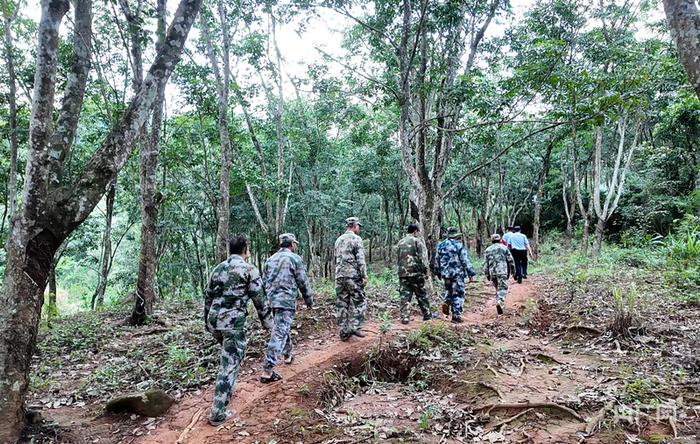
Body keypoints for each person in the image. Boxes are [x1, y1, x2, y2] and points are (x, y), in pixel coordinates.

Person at [203, 235, 273, 426]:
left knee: (230, 357)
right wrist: (269, 325)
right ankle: (218, 413)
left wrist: (206, 321)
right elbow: (260, 299)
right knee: (229, 364)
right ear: (245, 250)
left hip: (215, 321)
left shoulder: (218, 268)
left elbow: (208, 296)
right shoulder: (248, 269)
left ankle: (227, 391)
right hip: (232, 323)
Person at [260, 233, 313, 384]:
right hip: (285, 302)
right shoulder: (295, 259)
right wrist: (309, 300)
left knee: (281, 328)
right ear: (291, 244)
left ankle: (288, 355)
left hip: (271, 301)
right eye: (295, 244)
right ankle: (267, 370)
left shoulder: (270, 260)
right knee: (278, 334)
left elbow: (264, 283)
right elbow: (302, 281)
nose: (295, 246)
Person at [334, 217, 368, 340]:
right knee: (360, 301)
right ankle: (355, 326)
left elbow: (336, 259)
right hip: (352, 276)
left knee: (342, 303)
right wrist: (364, 275)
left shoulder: (338, 240)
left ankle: (344, 331)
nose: (359, 228)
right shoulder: (356, 239)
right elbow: (360, 259)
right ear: (354, 226)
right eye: (358, 226)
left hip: (339, 276)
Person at [435, 227, 476, 323]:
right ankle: (456, 316)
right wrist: (471, 273)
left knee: (449, 291)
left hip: (445, 274)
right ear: (456, 235)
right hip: (457, 274)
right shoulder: (458, 245)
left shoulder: (440, 246)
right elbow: (465, 260)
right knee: (458, 293)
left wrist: (438, 272)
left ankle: (446, 302)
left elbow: (437, 260)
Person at [396, 224, 433, 324]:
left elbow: (398, 258)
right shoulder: (417, 241)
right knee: (421, 294)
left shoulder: (400, 242)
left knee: (404, 295)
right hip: (415, 273)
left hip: (402, 273)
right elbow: (422, 258)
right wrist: (425, 272)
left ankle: (404, 317)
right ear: (415, 231)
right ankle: (427, 315)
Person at [483, 234, 516, 315]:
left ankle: (499, 302)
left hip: (492, 272)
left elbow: (485, 264)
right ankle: (500, 301)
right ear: (500, 240)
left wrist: (487, 274)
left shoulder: (487, 250)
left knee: (498, 288)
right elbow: (511, 260)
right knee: (503, 288)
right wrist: (513, 271)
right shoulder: (504, 248)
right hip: (502, 271)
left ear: (492, 240)